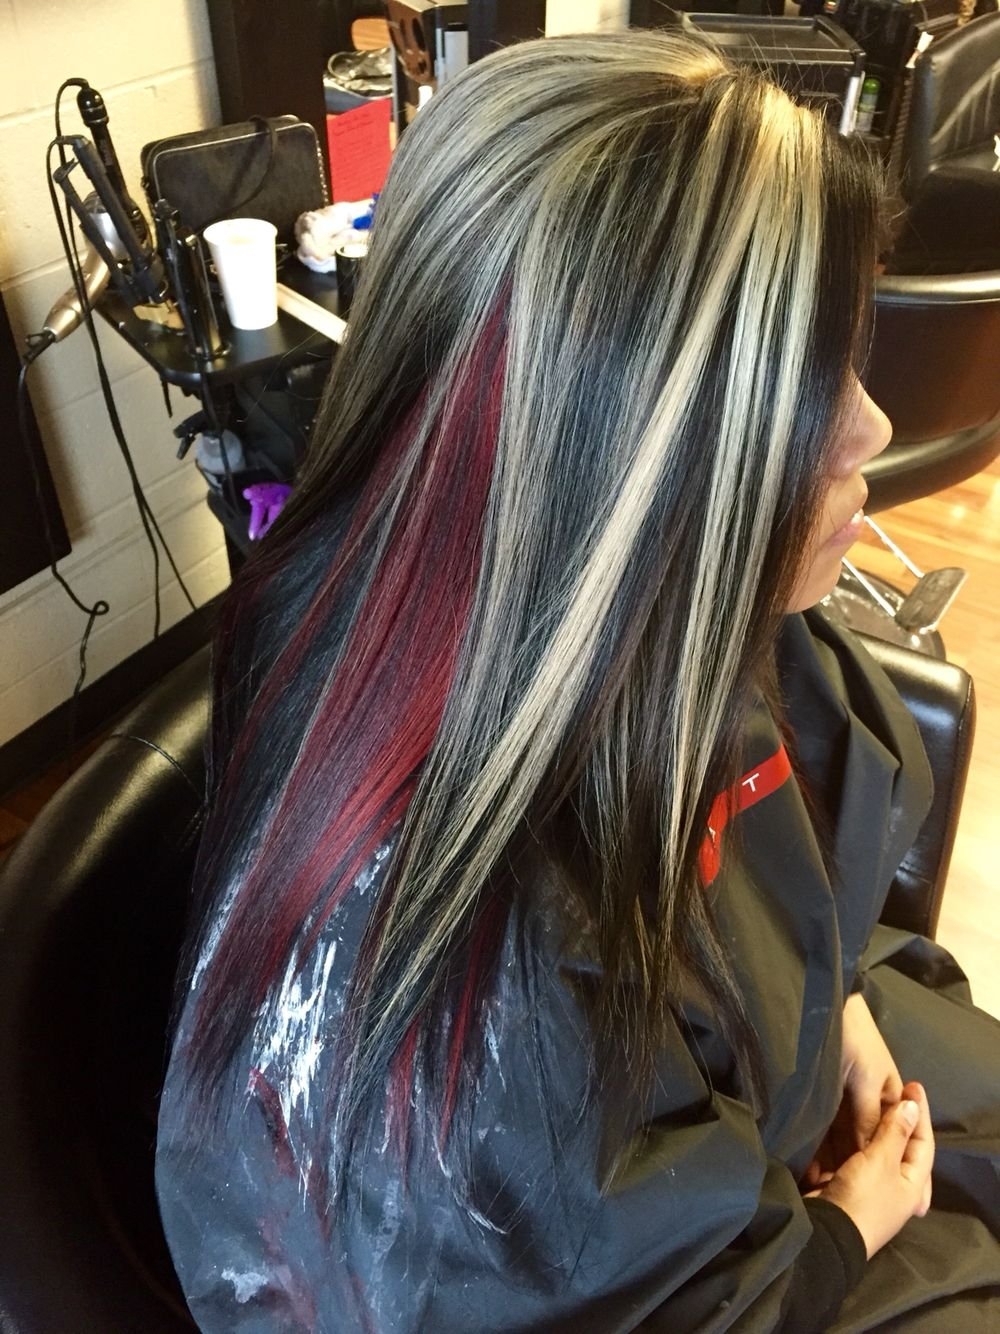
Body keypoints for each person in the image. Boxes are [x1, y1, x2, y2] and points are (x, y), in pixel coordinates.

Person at [155, 29, 1000, 1331]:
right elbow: (641, 1296)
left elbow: (797, 854)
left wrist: (831, 995)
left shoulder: (646, 608)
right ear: (634, 457)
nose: (874, 429)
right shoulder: (483, 1024)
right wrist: (847, 1229)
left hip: (754, 1066)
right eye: (806, 387)